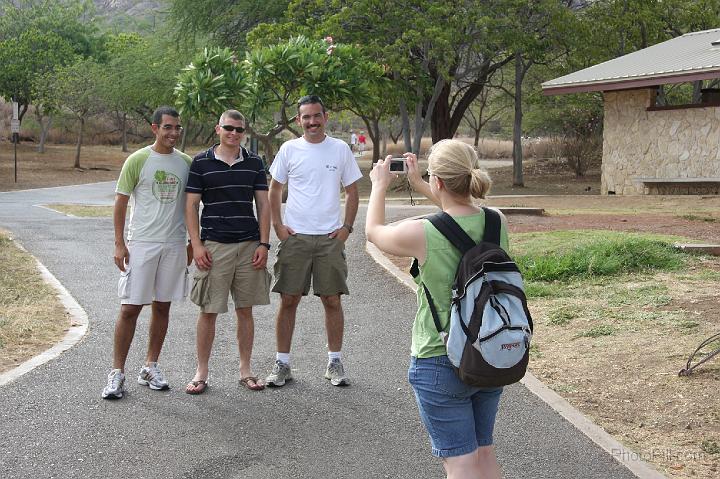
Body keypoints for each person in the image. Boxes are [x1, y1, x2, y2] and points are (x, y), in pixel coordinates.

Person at [365, 139, 507, 478]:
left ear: (438, 181)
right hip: (489, 349)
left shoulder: (421, 233)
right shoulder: (496, 221)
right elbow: (458, 214)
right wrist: (423, 184)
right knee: (483, 454)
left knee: (458, 462)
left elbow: (373, 231)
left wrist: (379, 186)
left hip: (439, 356)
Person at [266, 94, 362, 387]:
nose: (311, 122)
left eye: (316, 116)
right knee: (289, 299)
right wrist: (278, 226)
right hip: (295, 238)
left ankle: (335, 361)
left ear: (325, 117)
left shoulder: (340, 149)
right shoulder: (289, 149)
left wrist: (346, 228)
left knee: (332, 300)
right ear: (298, 121)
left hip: (330, 238)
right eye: (305, 117)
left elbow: (353, 192)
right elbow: (274, 190)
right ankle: (282, 364)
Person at [102, 106, 193, 400]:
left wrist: (194, 241)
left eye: (177, 128)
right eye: (168, 127)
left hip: (175, 243)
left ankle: (150, 366)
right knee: (130, 308)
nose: (173, 133)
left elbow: (193, 206)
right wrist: (119, 242)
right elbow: (120, 201)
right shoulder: (138, 159)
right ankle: (117, 372)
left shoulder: (186, 163)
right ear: (154, 128)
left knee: (162, 306)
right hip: (142, 243)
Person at [184, 109, 271, 394]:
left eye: (239, 129)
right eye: (229, 128)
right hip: (214, 247)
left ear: (244, 132)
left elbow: (264, 205)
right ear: (218, 129)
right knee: (208, 310)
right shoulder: (201, 163)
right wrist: (196, 245)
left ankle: (245, 370)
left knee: (245, 310)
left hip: (248, 246)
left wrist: (263, 243)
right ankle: (201, 372)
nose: (234, 134)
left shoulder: (255, 163)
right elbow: (191, 206)